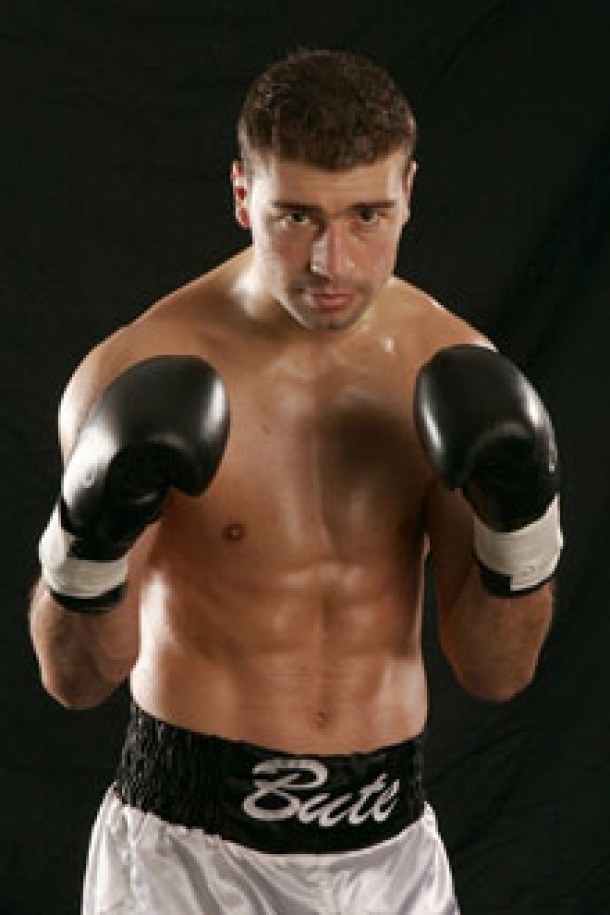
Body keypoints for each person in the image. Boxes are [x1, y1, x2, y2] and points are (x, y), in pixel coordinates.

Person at [29, 49, 563, 915]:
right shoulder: (134, 371)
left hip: (386, 854)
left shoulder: (452, 368)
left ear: (409, 194)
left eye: (367, 216)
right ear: (244, 194)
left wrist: (523, 529)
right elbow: (77, 680)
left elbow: (497, 672)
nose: (331, 262)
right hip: (185, 857)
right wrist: (86, 542)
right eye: (296, 216)